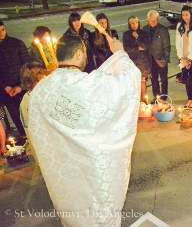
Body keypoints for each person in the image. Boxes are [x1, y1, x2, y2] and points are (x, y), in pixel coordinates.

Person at [28, 34, 141, 227]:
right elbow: (127, 81)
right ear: (79, 54)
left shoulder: (40, 90)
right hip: (93, 179)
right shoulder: (89, 86)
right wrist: (120, 53)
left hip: (64, 182)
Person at [0, 20, 30, 137]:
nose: (1, 33)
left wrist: (20, 86)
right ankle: (24, 138)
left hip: (21, 88)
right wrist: (5, 87)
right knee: (16, 117)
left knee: (28, 115)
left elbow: (27, 66)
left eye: (3, 30)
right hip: (7, 92)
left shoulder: (17, 43)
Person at [19, 62, 47, 161]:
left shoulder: (29, 96)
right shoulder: (33, 98)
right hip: (44, 147)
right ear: (38, 77)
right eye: (45, 75)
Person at [176, 5, 192, 108]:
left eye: (187, 15)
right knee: (186, 79)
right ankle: (189, 99)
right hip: (183, 58)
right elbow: (177, 43)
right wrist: (181, 58)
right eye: (183, 15)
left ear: (191, 14)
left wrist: (189, 58)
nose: (185, 17)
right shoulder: (179, 25)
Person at [143, 10, 171, 103]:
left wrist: (165, 59)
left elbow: (167, 46)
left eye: (155, 20)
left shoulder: (163, 29)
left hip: (161, 59)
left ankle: (164, 97)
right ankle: (157, 96)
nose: (153, 22)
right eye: (151, 20)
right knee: (154, 79)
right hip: (151, 59)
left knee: (163, 79)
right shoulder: (145, 29)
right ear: (148, 20)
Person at [123, 15, 151, 103]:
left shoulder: (143, 33)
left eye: (136, 23)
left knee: (143, 82)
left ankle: (144, 101)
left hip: (143, 62)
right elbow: (127, 49)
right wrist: (137, 49)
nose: (134, 25)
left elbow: (145, 46)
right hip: (132, 62)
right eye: (132, 23)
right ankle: (136, 102)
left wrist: (137, 38)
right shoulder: (126, 34)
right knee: (134, 83)